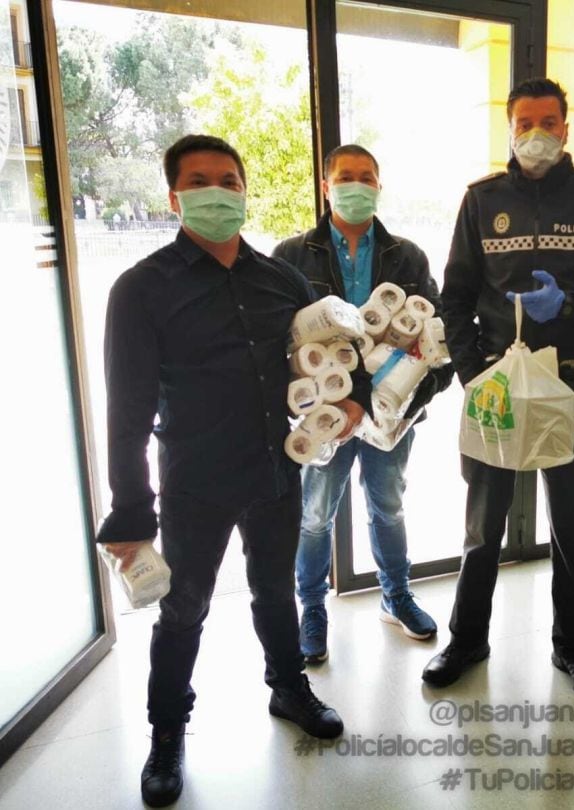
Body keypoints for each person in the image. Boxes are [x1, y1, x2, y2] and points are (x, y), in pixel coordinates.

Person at [99, 135, 369, 807]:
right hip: (193, 478)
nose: (217, 192)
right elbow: (126, 411)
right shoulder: (140, 290)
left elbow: (336, 343)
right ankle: (168, 736)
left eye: (228, 180)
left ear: (245, 192)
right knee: (183, 611)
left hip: (275, 468)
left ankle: (288, 687)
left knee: (275, 592)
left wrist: (356, 393)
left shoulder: (281, 278)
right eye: (199, 181)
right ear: (174, 197)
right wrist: (132, 510)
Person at [423, 78, 574, 702]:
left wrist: (570, 304)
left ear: (567, 128)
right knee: (482, 526)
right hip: (497, 382)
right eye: (525, 122)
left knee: (571, 525)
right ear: (509, 127)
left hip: (570, 382)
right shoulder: (481, 200)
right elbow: (455, 297)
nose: (537, 133)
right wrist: (473, 374)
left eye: (549, 121)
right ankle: (467, 640)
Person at [273, 144, 452, 658]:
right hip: (324, 413)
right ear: (326, 186)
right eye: (345, 177)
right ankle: (311, 607)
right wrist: (326, 405)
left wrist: (408, 403)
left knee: (388, 507)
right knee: (314, 515)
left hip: (390, 416)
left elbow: (435, 340)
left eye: (366, 177)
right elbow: (280, 344)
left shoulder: (408, 257)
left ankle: (395, 596)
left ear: (379, 185)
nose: (357, 185)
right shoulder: (291, 256)